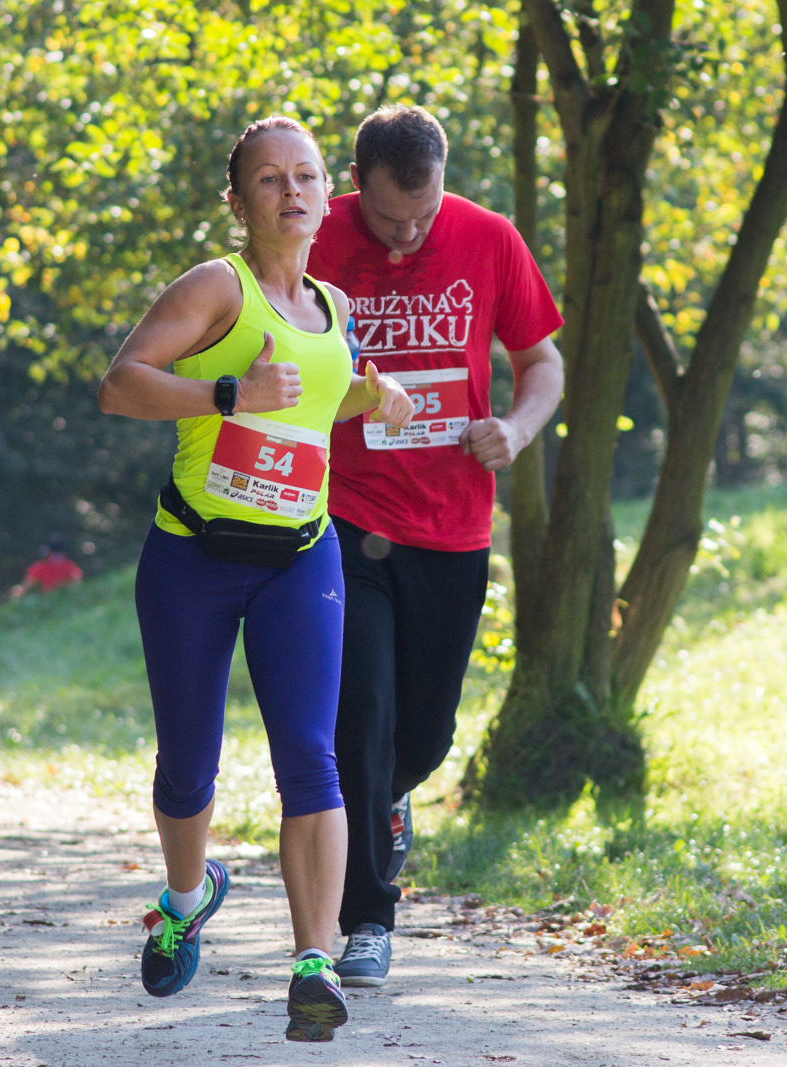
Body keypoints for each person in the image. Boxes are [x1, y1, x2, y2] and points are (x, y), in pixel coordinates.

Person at [97, 115, 413, 1043]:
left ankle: (314, 961)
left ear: (329, 192)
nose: (292, 192)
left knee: (311, 757)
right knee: (188, 764)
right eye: (270, 179)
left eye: (307, 176)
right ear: (238, 201)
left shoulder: (334, 307)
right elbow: (121, 385)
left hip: (300, 557)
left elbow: (311, 409)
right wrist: (227, 394)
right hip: (195, 553)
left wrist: (369, 393)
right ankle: (188, 895)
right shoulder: (215, 287)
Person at [305, 104, 564, 987]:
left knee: (427, 731)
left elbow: (543, 361)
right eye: (389, 217)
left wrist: (518, 432)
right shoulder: (314, 238)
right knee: (362, 709)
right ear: (356, 186)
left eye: (425, 212)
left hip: (454, 524)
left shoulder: (489, 238)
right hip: (342, 516)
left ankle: (383, 799)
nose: (410, 233)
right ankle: (367, 917)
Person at [11, 535, 82, 596]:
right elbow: (77, 584)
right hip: (61, 600)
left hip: (50, 599)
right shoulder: (70, 566)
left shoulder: (40, 567)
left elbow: (25, 587)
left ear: (49, 552)